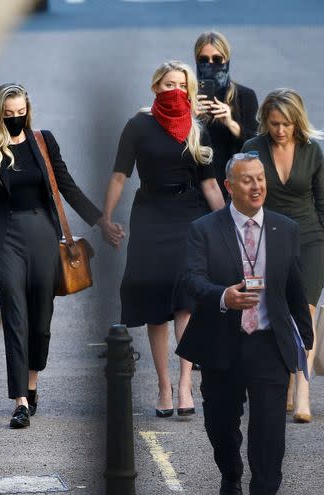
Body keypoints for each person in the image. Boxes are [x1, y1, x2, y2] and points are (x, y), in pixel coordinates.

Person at [176, 151, 313, 495]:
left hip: (269, 342)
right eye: (248, 180)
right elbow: (191, 279)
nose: (257, 186)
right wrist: (224, 296)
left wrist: (304, 336)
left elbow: (294, 285)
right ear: (229, 186)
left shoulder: (285, 228)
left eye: (261, 178)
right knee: (221, 425)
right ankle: (231, 472)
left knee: (269, 430)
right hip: (223, 341)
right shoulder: (204, 228)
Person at [0, 83, 105, 429]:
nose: (14, 119)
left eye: (20, 113)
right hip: (7, 237)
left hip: (43, 234)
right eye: (8, 114)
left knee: (41, 321)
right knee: (15, 316)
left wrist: (100, 219)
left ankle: (32, 383)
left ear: (28, 110)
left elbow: (65, 185)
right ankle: (20, 401)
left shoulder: (43, 142)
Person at [101, 61, 225, 417]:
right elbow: (119, 175)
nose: (174, 90)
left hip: (189, 215)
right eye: (168, 84)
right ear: (156, 87)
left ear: (189, 90)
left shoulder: (197, 128)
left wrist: (227, 226)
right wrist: (107, 218)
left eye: (180, 85)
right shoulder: (138, 125)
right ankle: (163, 385)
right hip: (150, 216)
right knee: (158, 308)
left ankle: (186, 384)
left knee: (186, 302)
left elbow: (210, 183)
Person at [242, 88, 324, 423]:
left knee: (305, 314)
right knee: (276, 312)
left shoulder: (311, 151)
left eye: (286, 124)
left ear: (297, 121)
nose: (280, 130)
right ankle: (285, 380)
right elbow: (243, 199)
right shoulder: (252, 150)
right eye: (274, 123)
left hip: (311, 239)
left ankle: (303, 391)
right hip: (268, 238)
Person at [193, 30, 259, 197]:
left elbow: (256, 146)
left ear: (226, 60)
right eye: (203, 60)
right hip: (196, 183)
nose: (210, 64)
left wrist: (231, 123)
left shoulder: (244, 96)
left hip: (234, 184)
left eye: (216, 59)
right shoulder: (187, 96)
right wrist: (190, 118)